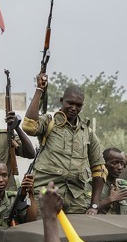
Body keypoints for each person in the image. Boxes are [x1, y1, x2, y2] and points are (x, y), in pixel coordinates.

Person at [22, 75, 106, 215]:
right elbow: (29, 126)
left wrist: (94, 205)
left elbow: (99, 169)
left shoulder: (88, 133)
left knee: (73, 237)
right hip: (45, 195)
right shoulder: (49, 122)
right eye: (70, 103)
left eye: (78, 105)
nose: (74, 108)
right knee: (44, 235)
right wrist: (39, 90)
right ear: (62, 101)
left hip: (76, 202)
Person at [96, 148, 127, 215]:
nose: (120, 167)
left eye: (122, 163)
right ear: (103, 164)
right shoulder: (92, 185)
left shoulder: (125, 187)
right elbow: (85, 212)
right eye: (114, 163)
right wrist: (109, 200)